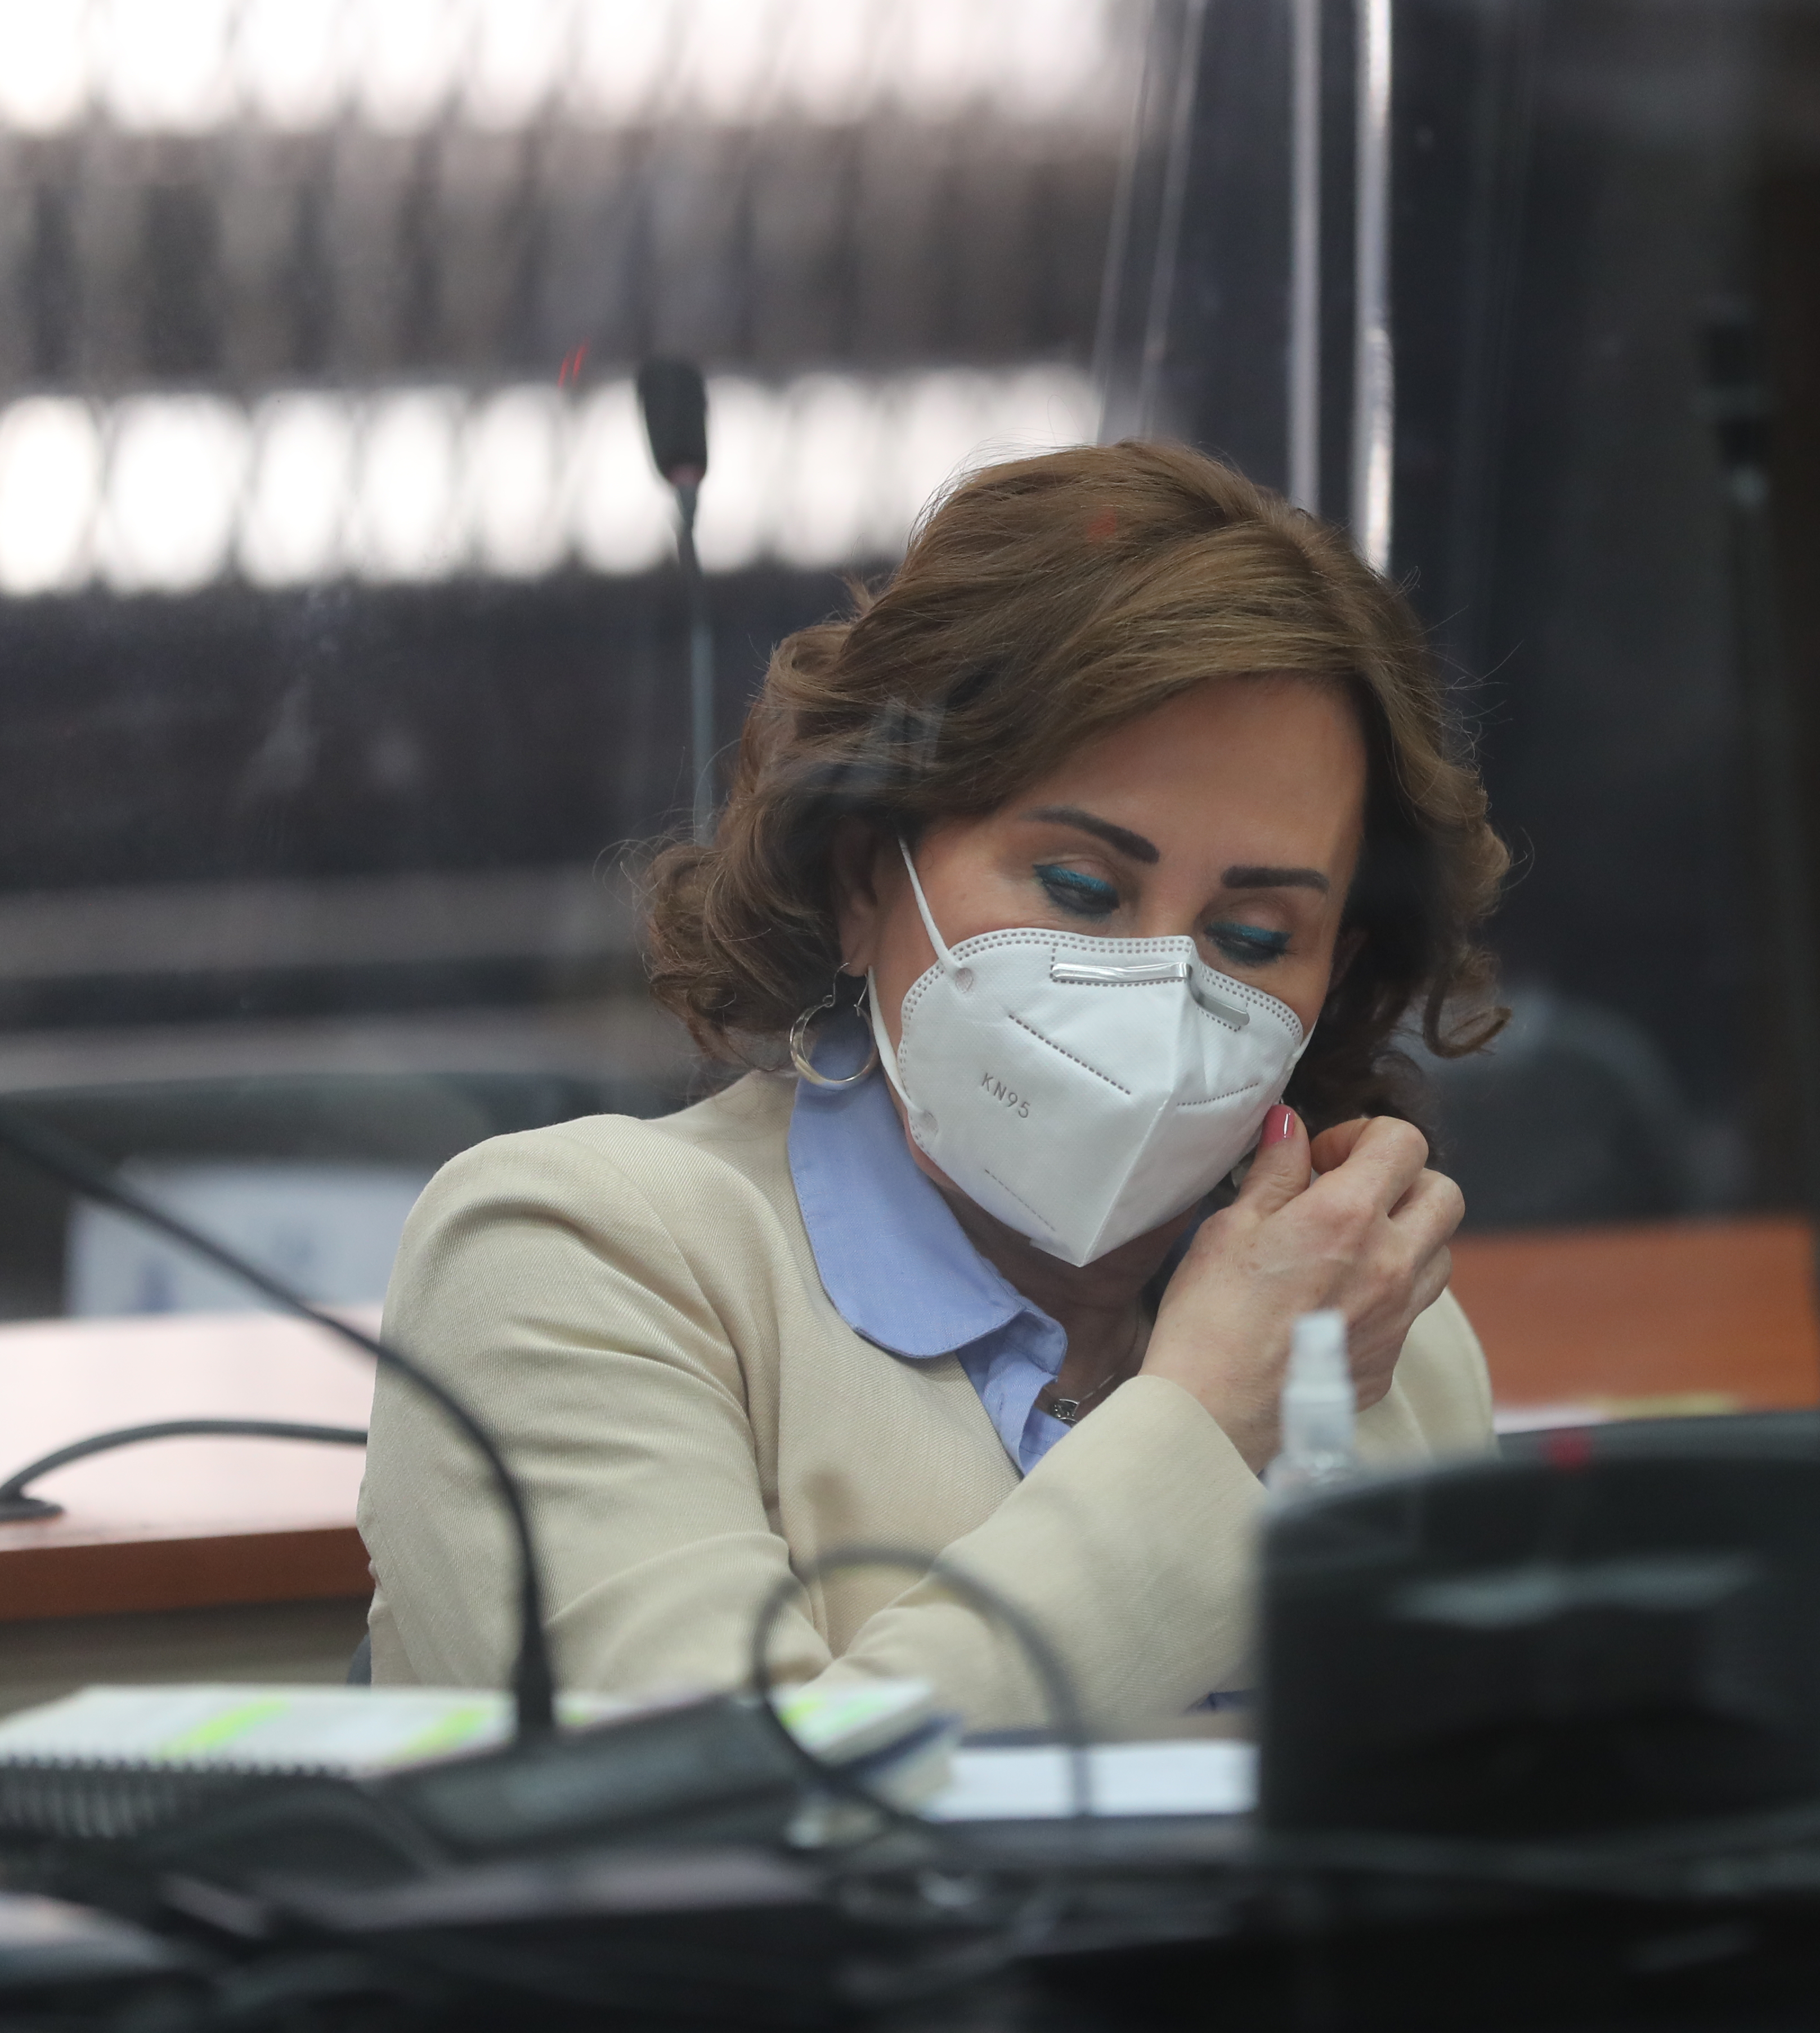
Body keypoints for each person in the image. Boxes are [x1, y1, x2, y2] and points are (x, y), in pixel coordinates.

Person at [358, 441, 1510, 1734]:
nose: (1156, 982)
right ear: (864, 879)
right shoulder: (575, 1257)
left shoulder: (1365, 1324)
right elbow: (716, 1828)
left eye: (1252, 939)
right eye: (1079, 889)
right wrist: (1204, 1422)